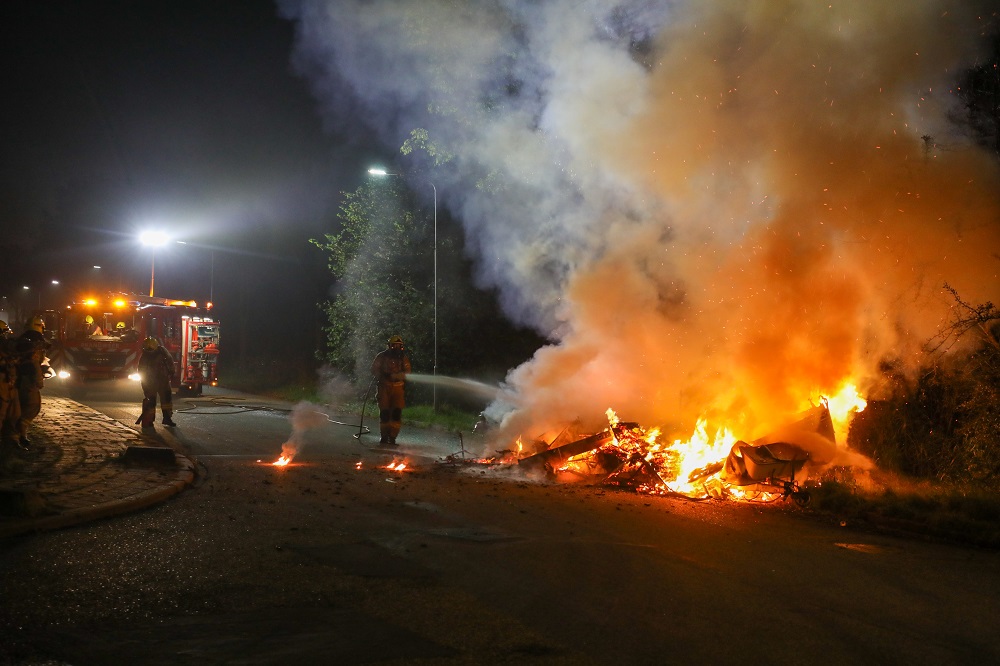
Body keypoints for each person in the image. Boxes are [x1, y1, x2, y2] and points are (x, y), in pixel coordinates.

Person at [370, 334, 412, 446]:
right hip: (384, 387)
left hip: (398, 388)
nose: (397, 348)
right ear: (389, 346)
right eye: (394, 345)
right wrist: (384, 375)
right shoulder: (381, 357)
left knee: (396, 413)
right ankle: (384, 436)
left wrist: (399, 375)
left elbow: (408, 371)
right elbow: (374, 369)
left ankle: (392, 436)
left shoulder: (403, 358)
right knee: (385, 413)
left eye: (399, 346)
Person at [138, 337, 176, 427]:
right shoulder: (145, 355)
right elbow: (141, 369)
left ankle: (166, 418)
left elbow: (170, 362)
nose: (150, 349)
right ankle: (149, 420)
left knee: (166, 400)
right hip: (152, 381)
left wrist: (171, 372)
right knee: (151, 402)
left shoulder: (161, 352)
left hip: (161, 380)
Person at [0, 321, 21, 450]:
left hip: (8, 385)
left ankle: (11, 440)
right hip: (3, 385)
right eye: (4, 333)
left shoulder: (6, 348)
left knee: (14, 413)